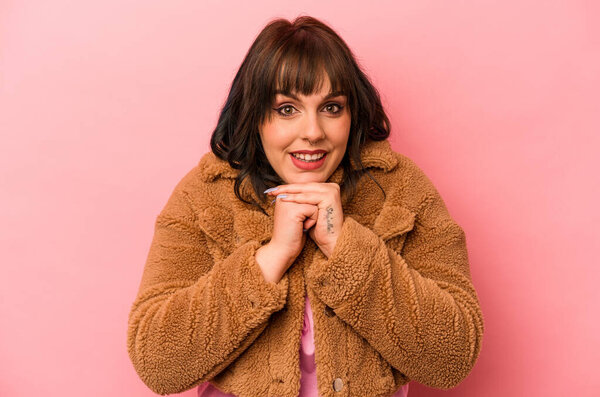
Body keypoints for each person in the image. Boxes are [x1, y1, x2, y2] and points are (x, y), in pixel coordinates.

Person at [127, 15, 484, 397]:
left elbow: (453, 358)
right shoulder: (205, 194)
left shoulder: (399, 188)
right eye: (286, 109)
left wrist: (344, 246)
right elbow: (157, 365)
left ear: (352, 114)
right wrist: (274, 255)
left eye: (331, 107)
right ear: (254, 116)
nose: (313, 131)